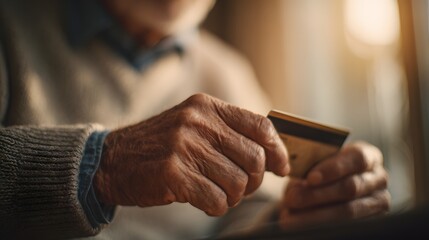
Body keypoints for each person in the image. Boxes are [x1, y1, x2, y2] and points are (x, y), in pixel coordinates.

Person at [0, 0, 390, 239]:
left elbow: (246, 214)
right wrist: (104, 165)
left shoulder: (230, 72)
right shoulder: (11, 23)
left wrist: (289, 218)